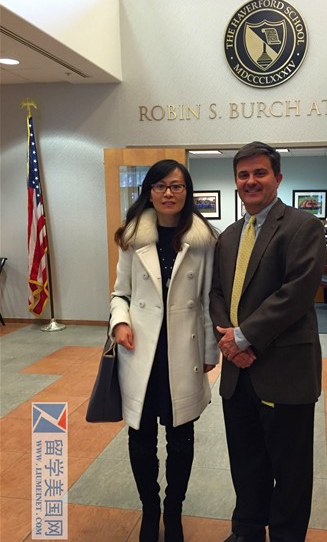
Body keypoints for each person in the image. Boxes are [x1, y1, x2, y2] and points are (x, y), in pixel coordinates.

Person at [209, 142, 326, 542]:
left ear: (277, 178)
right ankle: (246, 531)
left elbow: (297, 293)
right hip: (237, 373)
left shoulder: (302, 227)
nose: (251, 181)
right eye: (243, 175)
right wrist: (229, 341)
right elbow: (217, 293)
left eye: (259, 173)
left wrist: (243, 338)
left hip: (284, 370)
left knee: (290, 470)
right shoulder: (228, 236)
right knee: (246, 460)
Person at [110, 159, 219, 542]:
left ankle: (174, 512)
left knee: (181, 438)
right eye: (160, 186)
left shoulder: (204, 240)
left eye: (176, 186)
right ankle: (149, 510)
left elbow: (207, 302)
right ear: (149, 192)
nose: (168, 193)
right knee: (140, 439)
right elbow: (120, 293)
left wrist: (210, 350)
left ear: (187, 192)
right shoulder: (133, 237)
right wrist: (119, 322)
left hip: (182, 354)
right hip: (142, 352)